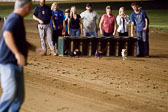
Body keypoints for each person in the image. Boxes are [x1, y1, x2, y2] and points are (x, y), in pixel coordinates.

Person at [0, 0, 45, 111]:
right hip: (8, 62)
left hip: (15, 63)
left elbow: (20, 41)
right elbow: (7, 34)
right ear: (27, 7)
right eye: (30, 7)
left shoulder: (18, 19)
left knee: (19, 97)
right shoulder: (14, 18)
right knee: (10, 93)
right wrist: (18, 54)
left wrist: (35, 49)